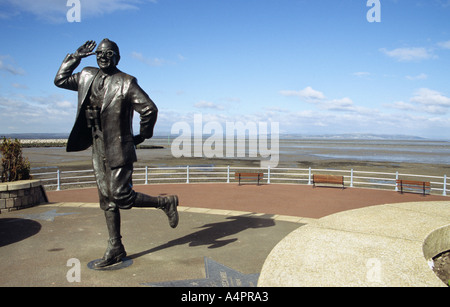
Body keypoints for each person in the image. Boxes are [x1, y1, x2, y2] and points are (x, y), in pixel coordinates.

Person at [54, 39, 179, 269]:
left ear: (117, 57)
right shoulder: (86, 75)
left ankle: (164, 202)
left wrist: (142, 136)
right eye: (100, 53)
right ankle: (115, 247)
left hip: (119, 146)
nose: (103, 56)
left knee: (121, 195)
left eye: (109, 53)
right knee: (106, 199)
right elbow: (60, 80)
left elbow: (150, 109)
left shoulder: (126, 82)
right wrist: (76, 57)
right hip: (97, 143)